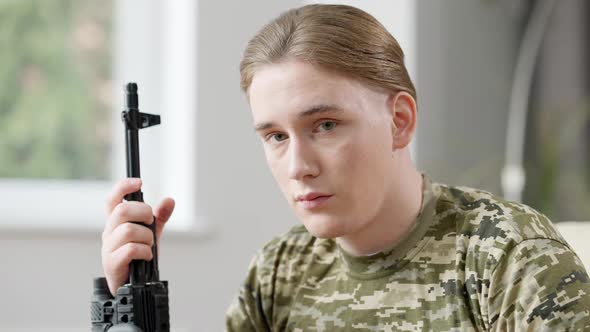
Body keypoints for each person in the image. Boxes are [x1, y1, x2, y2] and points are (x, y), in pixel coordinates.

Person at [101, 4, 590, 331]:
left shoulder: (508, 259)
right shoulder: (280, 271)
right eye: (275, 136)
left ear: (399, 121)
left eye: (326, 125)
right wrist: (125, 305)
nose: (298, 167)